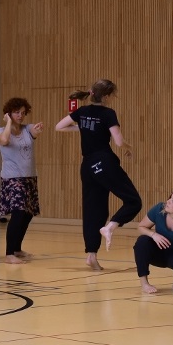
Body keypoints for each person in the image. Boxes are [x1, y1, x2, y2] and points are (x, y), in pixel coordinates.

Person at [54, 79, 142, 270]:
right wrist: (129, 147)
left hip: (87, 166)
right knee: (134, 201)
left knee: (94, 210)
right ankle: (109, 227)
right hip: (104, 162)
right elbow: (118, 141)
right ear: (107, 96)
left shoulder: (82, 111)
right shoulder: (108, 114)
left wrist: (82, 127)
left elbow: (59, 126)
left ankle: (91, 255)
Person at [0, 97, 42, 263]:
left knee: (28, 214)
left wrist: (37, 129)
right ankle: (9, 254)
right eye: (16, 112)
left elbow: (34, 132)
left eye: (23, 113)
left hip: (29, 177)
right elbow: (4, 140)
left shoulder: (27, 129)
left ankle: (16, 248)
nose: (20, 116)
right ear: (9, 113)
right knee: (18, 213)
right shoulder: (0, 131)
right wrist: (9, 122)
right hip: (13, 178)